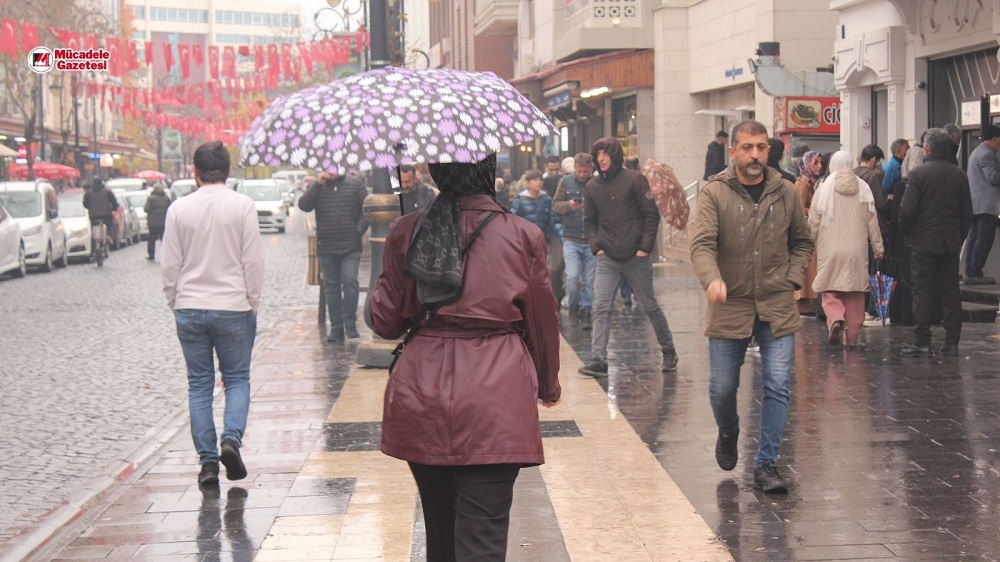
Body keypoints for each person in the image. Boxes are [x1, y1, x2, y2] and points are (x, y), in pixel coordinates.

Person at [368, 154, 560, 562]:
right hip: (497, 398)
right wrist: (547, 383)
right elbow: (542, 322)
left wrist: (391, 266)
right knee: (482, 539)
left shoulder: (409, 230)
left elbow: (385, 322)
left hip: (422, 393)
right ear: (487, 171)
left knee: (440, 535)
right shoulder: (523, 235)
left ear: (437, 173)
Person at [689, 120, 814, 494]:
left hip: (777, 303)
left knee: (777, 385)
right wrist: (712, 279)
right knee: (723, 388)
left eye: (761, 147)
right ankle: (728, 431)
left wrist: (792, 279)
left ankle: (766, 464)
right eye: (747, 148)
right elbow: (701, 245)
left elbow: (803, 243)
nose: (755, 155)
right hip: (731, 303)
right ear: (734, 151)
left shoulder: (786, 191)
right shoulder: (715, 192)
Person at [160, 141, 264, 486]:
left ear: (195, 171)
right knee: (237, 379)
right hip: (233, 305)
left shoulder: (179, 209)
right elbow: (252, 261)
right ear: (228, 171)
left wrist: (175, 300)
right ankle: (231, 440)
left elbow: (170, 263)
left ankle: (207, 462)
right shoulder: (242, 206)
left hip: (190, 306)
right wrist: (252, 301)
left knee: (199, 384)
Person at [579, 137, 678, 376]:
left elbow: (651, 215)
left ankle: (668, 350)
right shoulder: (592, 187)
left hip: (636, 256)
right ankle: (599, 360)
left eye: (605, 153)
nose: (601, 158)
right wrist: (596, 247)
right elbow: (589, 221)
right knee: (601, 306)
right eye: (597, 154)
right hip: (607, 258)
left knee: (649, 305)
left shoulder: (635, 180)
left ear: (615, 155)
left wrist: (644, 248)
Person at [898, 128, 974, 357]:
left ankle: (922, 340)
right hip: (949, 243)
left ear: (928, 149)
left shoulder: (919, 174)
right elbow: (966, 214)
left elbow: (907, 211)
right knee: (951, 292)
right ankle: (952, 341)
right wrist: (958, 237)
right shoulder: (959, 174)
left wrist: (907, 232)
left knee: (922, 292)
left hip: (922, 243)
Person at [810, 151, 885, 347]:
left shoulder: (824, 188)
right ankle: (851, 339)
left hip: (830, 249)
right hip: (857, 250)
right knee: (855, 294)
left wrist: (808, 245)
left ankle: (835, 319)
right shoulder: (863, 188)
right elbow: (872, 221)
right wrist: (878, 246)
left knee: (830, 290)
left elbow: (813, 222)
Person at [298, 170, 369, 342]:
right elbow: (304, 205)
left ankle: (350, 324)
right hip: (327, 245)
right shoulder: (318, 187)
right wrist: (317, 183)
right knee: (331, 286)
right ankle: (336, 328)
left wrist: (357, 231)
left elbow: (367, 209)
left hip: (350, 245)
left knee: (350, 281)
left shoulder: (355, 184)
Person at [553, 153, 596, 326]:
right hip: (571, 237)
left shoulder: (595, 183)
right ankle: (573, 304)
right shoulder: (565, 182)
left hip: (591, 238)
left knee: (589, 279)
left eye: (585, 171)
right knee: (571, 276)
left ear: (590, 169)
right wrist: (569, 206)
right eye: (579, 171)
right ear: (575, 167)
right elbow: (555, 204)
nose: (582, 174)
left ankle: (586, 309)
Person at [511, 170, 563, 299]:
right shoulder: (520, 200)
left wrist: (563, 237)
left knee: (544, 270)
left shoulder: (546, 199)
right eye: (535, 180)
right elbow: (513, 221)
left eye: (540, 179)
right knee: (528, 271)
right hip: (526, 242)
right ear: (527, 182)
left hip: (544, 241)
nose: (538, 182)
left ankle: (542, 298)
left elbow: (553, 220)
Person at [962, 124, 1000, 285]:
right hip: (986, 205)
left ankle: (970, 271)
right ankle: (975, 272)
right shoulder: (987, 154)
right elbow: (993, 178)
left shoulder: (976, 151)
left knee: (974, 237)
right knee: (984, 239)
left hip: (976, 204)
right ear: (994, 139)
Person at [793, 151, 823, 315]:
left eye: (820, 163)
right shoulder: (804, 184)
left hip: (809, 231)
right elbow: (799, 208)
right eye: (815, 163)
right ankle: (805, 304)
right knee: (808, 269)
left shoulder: (811, 182)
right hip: (806, 232)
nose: (820, 166)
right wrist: (816, 210)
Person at [82, 177, 119, 254]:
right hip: (106, 215)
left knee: (93, 232)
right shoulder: (107, 192)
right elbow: (114, 202)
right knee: (110, 226)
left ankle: (93, 248)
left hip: (93, 216)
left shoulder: (88, 193)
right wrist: (114, 208)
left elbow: (85, 204)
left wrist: (91, 208)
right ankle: (108, 236)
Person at [143, 184, 172, 260]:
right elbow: (170, 209)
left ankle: (151, 255)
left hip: (152, 223)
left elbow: (146, 209)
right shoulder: (166, 198)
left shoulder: (151, 198)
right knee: (164, 239)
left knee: (151, 239)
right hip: (163, 222)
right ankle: (166, 255)